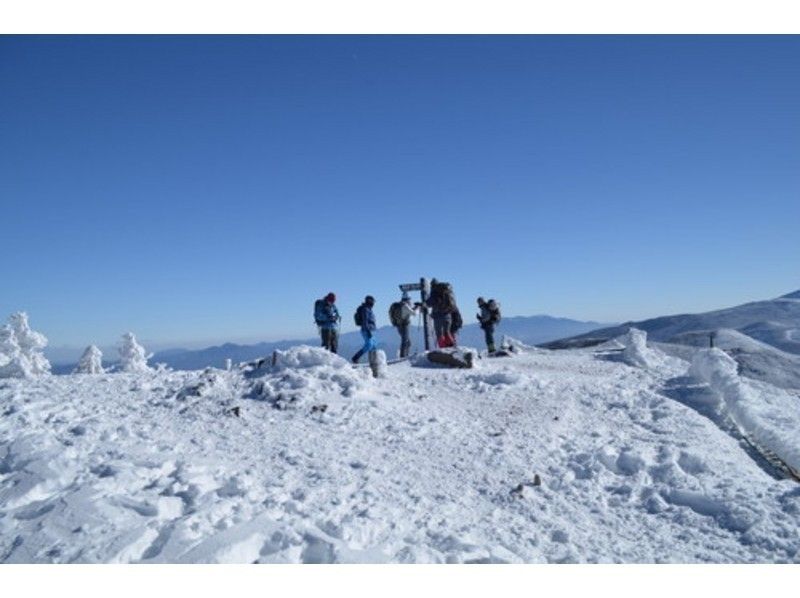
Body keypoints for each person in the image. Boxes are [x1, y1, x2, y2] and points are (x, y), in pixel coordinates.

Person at [426, 278, 457, 348]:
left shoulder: (434, 291)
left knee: (439, 334)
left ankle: (443, 349)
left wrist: (424, 303)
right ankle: (452, 347)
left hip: (438, 316)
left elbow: (430, 303)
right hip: (448, 314)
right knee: (447, 332)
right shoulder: (446, 290)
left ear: (432, 285)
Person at [389, 293, 419, 358]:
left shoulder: (399, 305)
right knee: (405, 341)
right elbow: (414, 313)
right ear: (408, 299)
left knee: (407, 342)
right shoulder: (405, 306)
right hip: (405, 325)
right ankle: (403, 356)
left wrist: (414, 308)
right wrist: (418, 308)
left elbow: (408, 311)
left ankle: (405, 355)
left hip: (398, 325)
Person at [352, 295, 378, 363]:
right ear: (370, 301)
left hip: (371, 330)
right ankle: (355, 357)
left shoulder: (368, 309)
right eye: (373, 302)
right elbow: (365, 321)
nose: (373, 304)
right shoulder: (365, 309)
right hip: (366, 330)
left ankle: (373, 361)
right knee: (368, 345)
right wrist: (368, 331)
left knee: (374, 345)